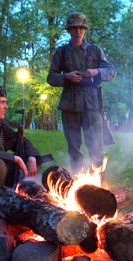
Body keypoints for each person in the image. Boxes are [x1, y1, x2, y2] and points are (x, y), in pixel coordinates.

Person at [47, 11, 116, 174]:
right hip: (69, 104)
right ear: (69, 30)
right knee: (73, 147)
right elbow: (51, 77)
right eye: (74, 28)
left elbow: (111, 71)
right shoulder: (61, 52)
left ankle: (98, 182)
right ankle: (78, 179)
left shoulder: (95, 50)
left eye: (81, 28)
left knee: (96, 145)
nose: (77, 31)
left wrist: (96, 72)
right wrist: (66, 77)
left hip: (92, 104)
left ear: (85, 30)